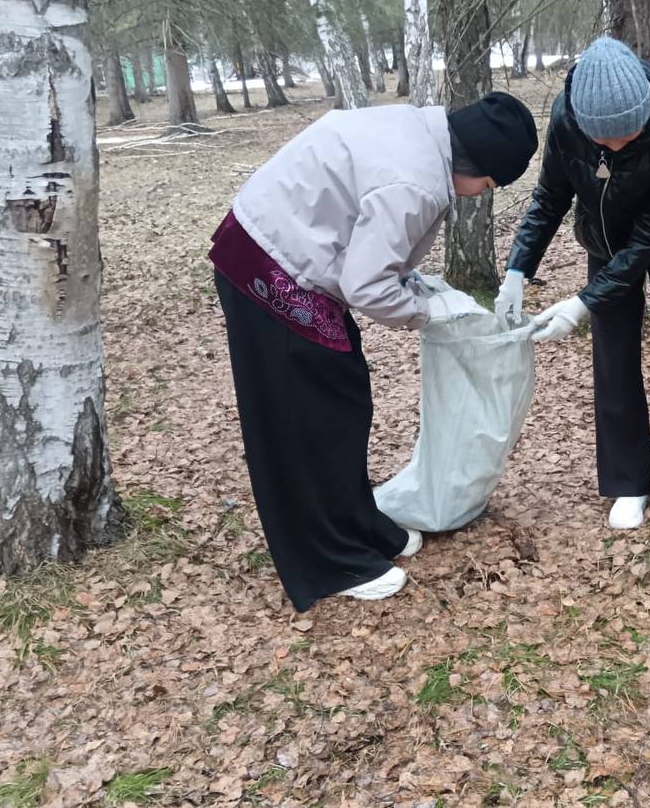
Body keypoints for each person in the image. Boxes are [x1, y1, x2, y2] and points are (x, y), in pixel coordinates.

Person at [210, 93, 537, 611]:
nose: (481, 195)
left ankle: (360, 526)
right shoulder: (416, 183)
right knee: (307, 419)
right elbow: (365, 287)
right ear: (476, 166)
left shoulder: (419, 134)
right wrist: (427, 312)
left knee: (344, 400)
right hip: (270, 265)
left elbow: (369, 233)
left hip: (293, 251)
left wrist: (415, 283)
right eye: (490, 185)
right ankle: (329, 562)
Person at [496, 37, 650, 531]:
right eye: (604, 139)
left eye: (626, 135)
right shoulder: (566, 121)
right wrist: (517, 270)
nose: (616, 146)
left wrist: (581, 303)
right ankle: (628, 483)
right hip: (606, 243)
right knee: (613, 362)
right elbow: (550, 197)